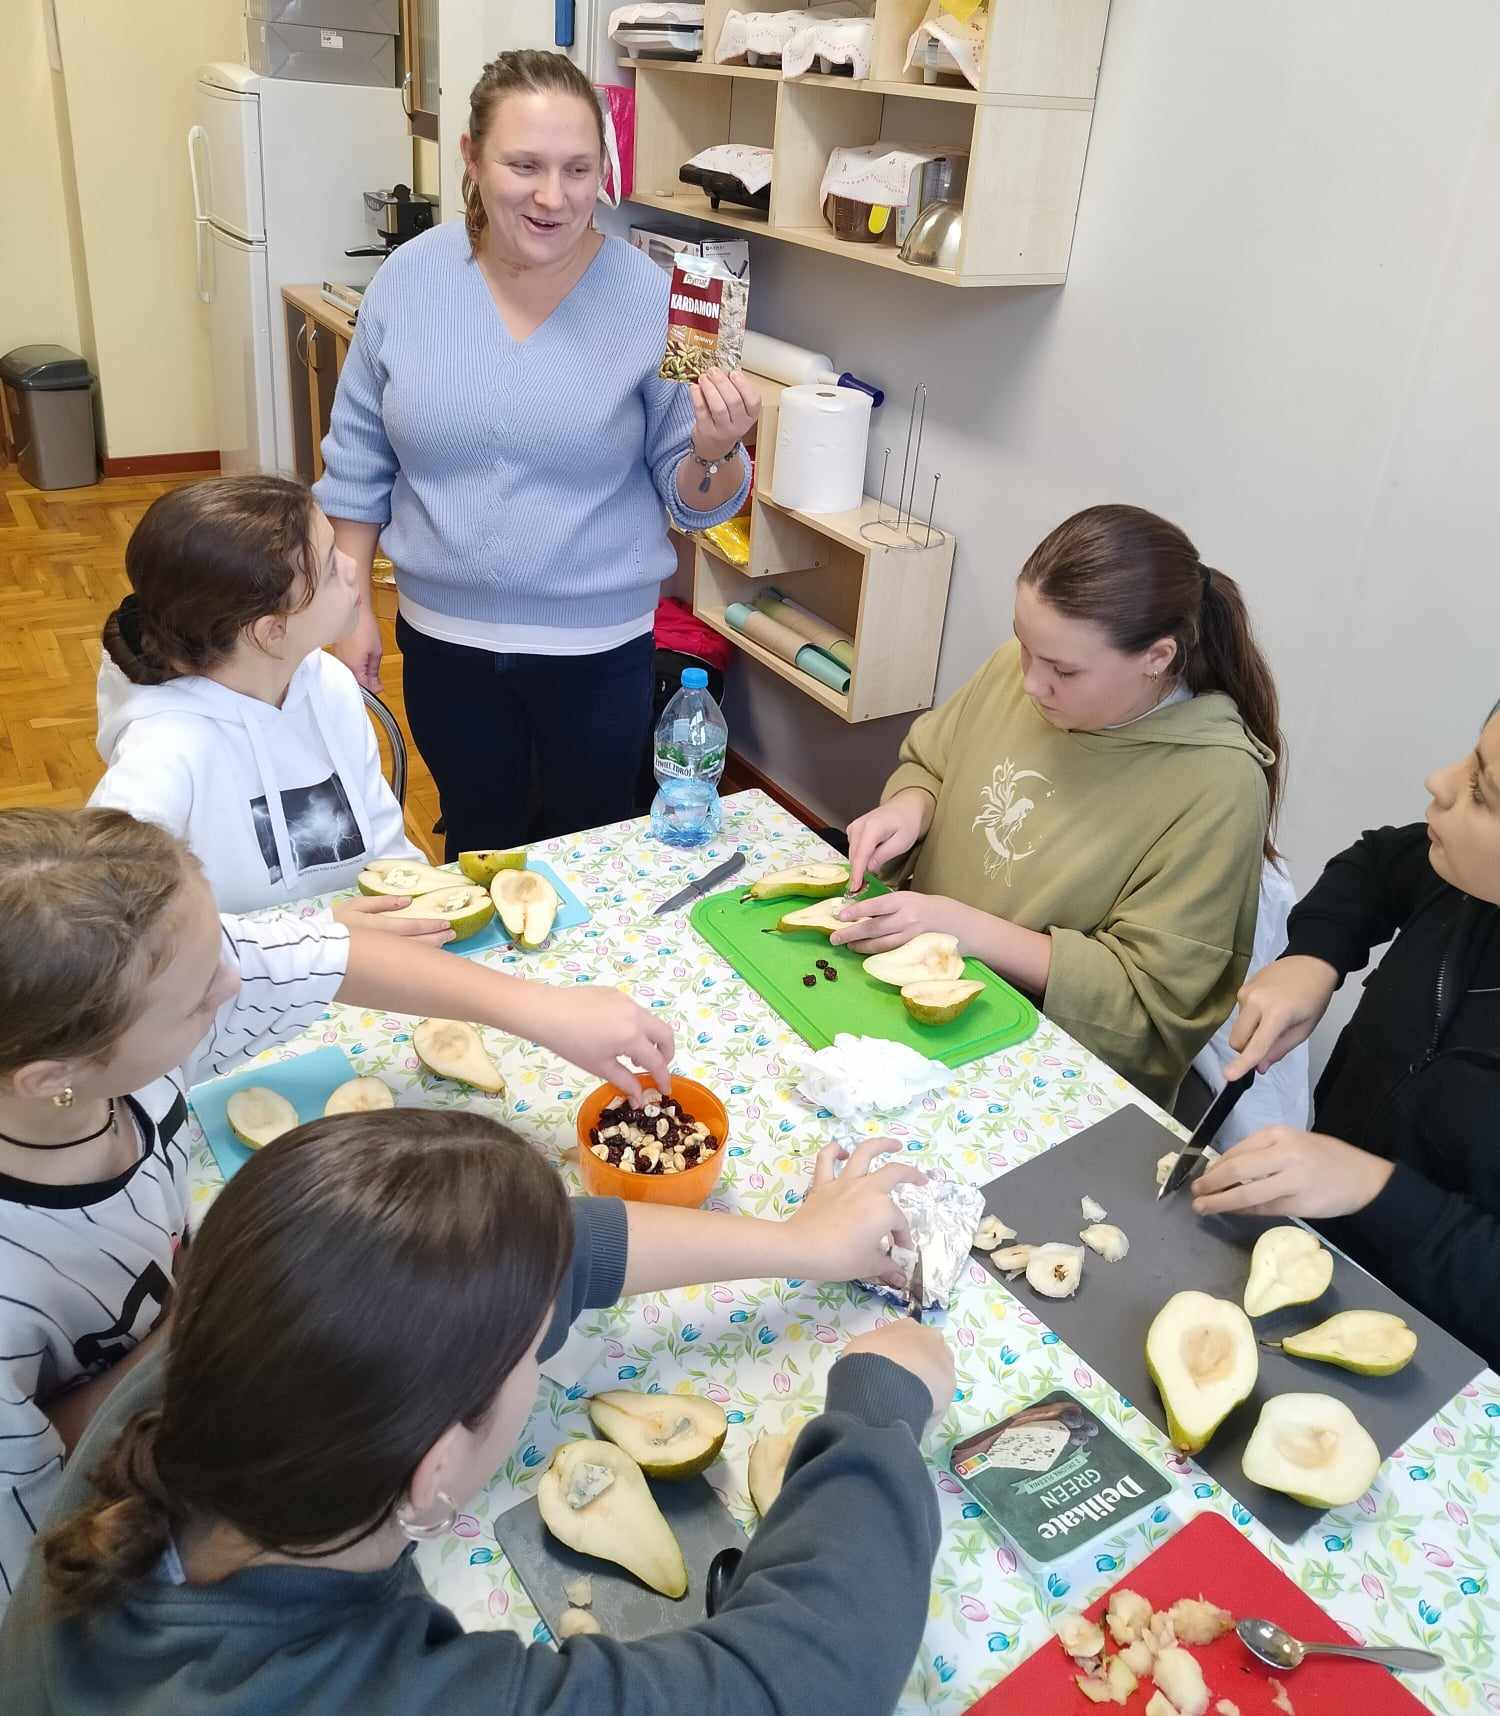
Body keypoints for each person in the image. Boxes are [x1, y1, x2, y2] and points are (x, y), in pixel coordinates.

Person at [0, 1110, 952, 1716]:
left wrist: (799, 1244)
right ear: (437, 1476)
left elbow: (549, 1252)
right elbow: (799, 1681)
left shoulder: (209, 1362)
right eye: (528, 1355)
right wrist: (878, 1413)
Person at [0, 806, 673, 1605]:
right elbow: (43, 1501)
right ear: (54, 1077)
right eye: (199, 997)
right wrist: (211, 1323)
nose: (235, 980)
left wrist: (534, 1007)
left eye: (221, 947)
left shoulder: (104, 1028)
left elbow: (308, 955)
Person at [314, 49, 759, 857]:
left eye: (578, 169)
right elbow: (357, 467)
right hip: (443, 644)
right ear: (472, 160)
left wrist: (717, 448)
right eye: (525, 165)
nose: (554, 197)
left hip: (599, 655)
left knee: (588, 857)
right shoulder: (408, 284)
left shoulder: (653, 301)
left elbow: (693, 498)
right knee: (479, 846)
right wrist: (348, 616)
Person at [837, 504, 1284, 1108]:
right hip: (913, 1002)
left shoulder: (1218, 785)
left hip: (1043, 1075)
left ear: (1158, 658)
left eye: (1064, 671)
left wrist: (966, 930)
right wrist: (913, 807)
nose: (1030, 683)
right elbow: (934, 762)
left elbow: (1151, 1008)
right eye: (1024, 647)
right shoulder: (1019, 674)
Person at [1192, 700, 1500, 1366]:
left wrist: (1375, 1188)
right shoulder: (1461, 880)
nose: (1440, 783)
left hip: (1444, 1365)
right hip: (1317, 1261)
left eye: (1484, 794)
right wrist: (1312, 960)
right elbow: (1372, 867)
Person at [89, 474, 446, 938]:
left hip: (357, 964)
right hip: (239, 994)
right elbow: (113, 931)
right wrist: (311, 934)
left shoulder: (328, 683)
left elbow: (385, 848)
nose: (354, 567)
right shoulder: (164, 752)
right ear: (269, 631)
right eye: (330, 566)